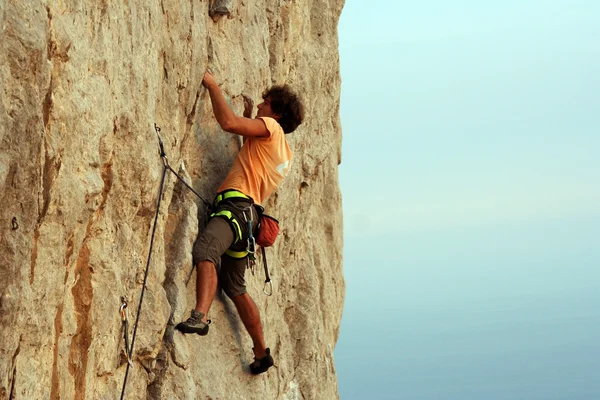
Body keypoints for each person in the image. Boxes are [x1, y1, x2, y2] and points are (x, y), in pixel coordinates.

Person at [176, 70, 304, 375]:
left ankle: (200, 316)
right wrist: (250, 115)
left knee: (206, 249)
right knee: (235, 286)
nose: (260, 106)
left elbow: (228, 123)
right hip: (249, 221)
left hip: (235, 208)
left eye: (265, 103)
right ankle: (261, 352)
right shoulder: (284, 150)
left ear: (277, 112)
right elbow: (250, 141)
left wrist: (212, 85)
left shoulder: (270, 127)